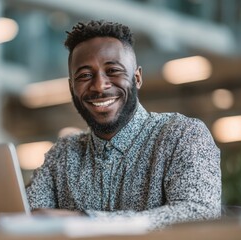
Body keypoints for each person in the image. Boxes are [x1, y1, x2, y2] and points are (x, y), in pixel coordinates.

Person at [26, 20, 221, 230]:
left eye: (113, 71)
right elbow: (25, 217)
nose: (100, 85)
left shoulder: (182, 135)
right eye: (84, 75)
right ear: (71, 86)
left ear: (137, 78)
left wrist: (86, 222)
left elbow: (198, 215)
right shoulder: (63, 154)